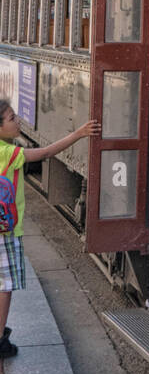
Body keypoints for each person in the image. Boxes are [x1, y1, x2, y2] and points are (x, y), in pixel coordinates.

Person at [0, 101, 99, 359]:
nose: (18, 120)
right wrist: (78, 134)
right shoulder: (6, 152)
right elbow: (44, 154)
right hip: (5, 230)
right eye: (12, 118)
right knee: (5, 285)